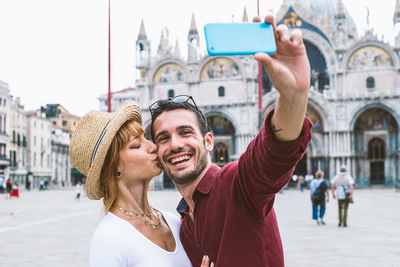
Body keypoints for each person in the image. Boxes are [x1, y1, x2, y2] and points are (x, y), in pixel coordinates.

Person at [149, 14, 312, 267]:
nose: (175, 145)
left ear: (209, 141)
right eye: (163, 138)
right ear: (156, 152)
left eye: (185, 132)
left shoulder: (239, 186)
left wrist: (293, 95)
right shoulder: (182, 224)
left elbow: (274, 154)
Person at [69, 102, 212, 267]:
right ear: (114, 168)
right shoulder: (109, 239)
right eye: (136, 145)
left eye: (147, 139)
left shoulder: (174, 222)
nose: (153, 147)